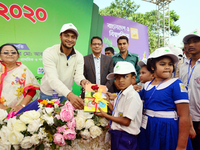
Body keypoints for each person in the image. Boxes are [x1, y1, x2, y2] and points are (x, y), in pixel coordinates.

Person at [138, 47, 193, 150]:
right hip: (149, 128)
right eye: (162, 64)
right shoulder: (146, 86)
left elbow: (184, 116)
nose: (167, 67)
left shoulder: (176, 84)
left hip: (168, 130)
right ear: (152, 67)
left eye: (170, 64)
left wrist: (181, 146)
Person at [40, 23, 89, 109]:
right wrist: (70, 95)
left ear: (76, 39)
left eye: (73, 37)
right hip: (48, 94)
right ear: (60, 37)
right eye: (66, 35)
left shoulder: (79, 56)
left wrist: (82, 81)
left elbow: (78, 75)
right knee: (45, 121)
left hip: (66, 94)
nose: (70, 39)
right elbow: (53, 79)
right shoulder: (49, 52)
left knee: (65, 121)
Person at [96, 61, 142, 150]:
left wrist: (105, 115)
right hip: (118, 135)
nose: (120, 80)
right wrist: (108, 103)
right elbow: (118, 112)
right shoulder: (121, 93)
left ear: (133, 79)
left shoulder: (132, 96)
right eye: (117, 77)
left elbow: (126, 121)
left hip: (126, 137)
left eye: (125, 76)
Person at [0, 44, 40, 112]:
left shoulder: (23, 69)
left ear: (18, 56)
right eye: (6, 52)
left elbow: (32, 90)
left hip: (19, 111)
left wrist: (21, 106)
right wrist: (2, 107)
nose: (10, 54)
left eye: (13, 52)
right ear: (0, 56)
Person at [180, 29, 200, 150]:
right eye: (188, 42)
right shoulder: (183, 66)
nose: (190, 45)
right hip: (184, 117)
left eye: (195, 41)